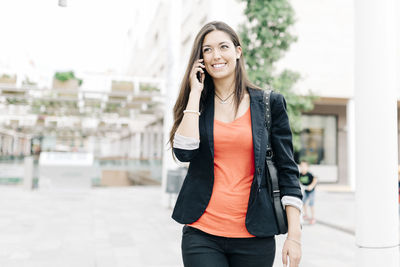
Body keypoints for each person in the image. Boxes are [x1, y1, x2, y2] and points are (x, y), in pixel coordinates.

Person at [169, 21, 303, 267]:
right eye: (207, 50)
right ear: (200, 58)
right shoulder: (197, 104)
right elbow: (183, 153)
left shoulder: (269, 104)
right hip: (202, 232)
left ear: (238, 52)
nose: (216, 55)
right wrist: (195, 93)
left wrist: (294, 237)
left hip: (255, 235)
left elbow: (288, 172)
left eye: (223, 47)